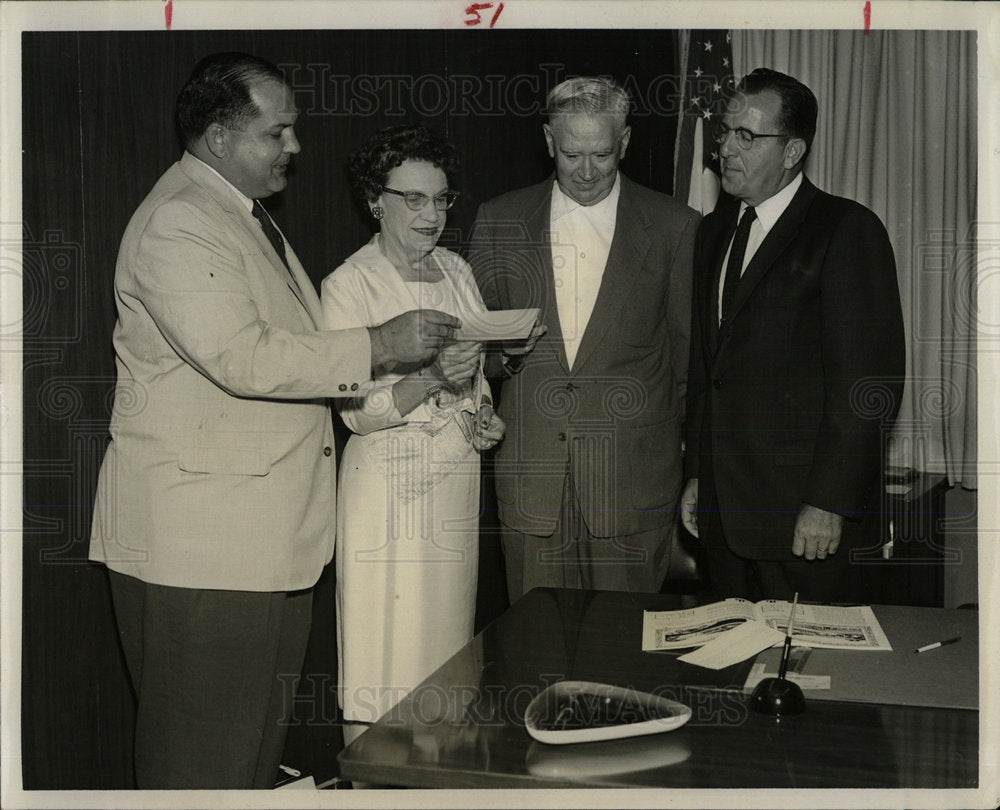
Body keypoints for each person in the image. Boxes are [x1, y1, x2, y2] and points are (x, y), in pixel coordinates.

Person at [88, 53, 459, 789]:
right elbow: (243, 358)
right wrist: (381, 345)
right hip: (202, 550)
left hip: (254, 544)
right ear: (220, 138)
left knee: (246, 762)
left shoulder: (237, 214)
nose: (293, 146)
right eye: (278, 131)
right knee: (201, 767)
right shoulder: (180, 223)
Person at [468, 76, 699, 602]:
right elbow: (471, 350)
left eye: (603, 154)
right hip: (533, 481)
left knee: (622, 659)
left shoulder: (676, 226)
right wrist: (503, 355)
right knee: (536, 652)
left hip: (631, 484)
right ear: (549, 141)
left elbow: (688, 362)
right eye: (572, 154)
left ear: (626, 142)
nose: (588, 171)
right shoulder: (499, 220)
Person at [680, 68, 905, 603]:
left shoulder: (845, 230)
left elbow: (868, 385)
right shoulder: (712, 232)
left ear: (792, 151)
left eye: (747, 136)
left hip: (804, 526)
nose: (725, 149)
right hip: (723, 521)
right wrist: (696, 474)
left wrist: (829, 503)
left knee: (809, 676)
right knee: (729, 673)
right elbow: (706, 369)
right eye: (725, 131)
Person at [320, 124, 504, 745]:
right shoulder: (349, 284)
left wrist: (484, 417)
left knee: (445, 656)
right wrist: (428, 378)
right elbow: (353, 412)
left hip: (454, 485)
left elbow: (474, 378)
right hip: (388, 492)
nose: (433, 215)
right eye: (415, 199)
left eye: (443, 199)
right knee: (383, 659)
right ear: (377, 199)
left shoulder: (456, 269)